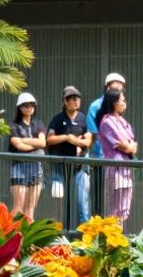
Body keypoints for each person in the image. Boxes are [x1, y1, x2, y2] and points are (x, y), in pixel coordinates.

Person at [45, 85, 92, 229]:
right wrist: (66, 137)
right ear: (65, 101)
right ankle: (59, 232)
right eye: (71, 98)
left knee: (81, 200)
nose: (74, 101)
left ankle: (83, 234)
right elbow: (49, 139)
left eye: (77, 98)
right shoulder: (58, 119)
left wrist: (75, 141)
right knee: (58, 198)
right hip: (60, 163)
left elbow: (88, 141)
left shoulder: (84, 119)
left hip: (79, 165)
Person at [96, 87, 137, 227]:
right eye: (122, 100)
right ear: (114, 102)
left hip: (126, 168)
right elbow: (123, 144)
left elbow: (132, 144)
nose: (125, 103)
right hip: (115, 169)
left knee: (125, 207)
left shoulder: (124, 121)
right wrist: (129, 146)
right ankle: (111, 241)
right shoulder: (107, 121)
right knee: (114, 209)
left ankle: (121, 238)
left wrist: (129, 146)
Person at [87, 72, 126, 216]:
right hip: (100, 159)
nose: (117, 88)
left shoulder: (119, 107)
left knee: (116, 201)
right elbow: (95, 132)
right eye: (114, 86)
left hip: (116, 162)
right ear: (106, 87)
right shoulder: (95, 106)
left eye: (120, 87)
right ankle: (98, 233)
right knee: (98, 199)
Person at [8, 92, 46, 220]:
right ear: (19, 107)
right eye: (25, 105)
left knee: (30, 209)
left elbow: (43, 142)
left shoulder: (38, 124)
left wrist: (24, 140)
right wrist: (35, 144)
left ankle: (28, 238)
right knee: (18, 207)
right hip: (19, 167)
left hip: (36, 167)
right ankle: (9, 235)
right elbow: (18, 145)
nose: (29, 107)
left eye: (31, 105)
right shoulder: (13, 126)